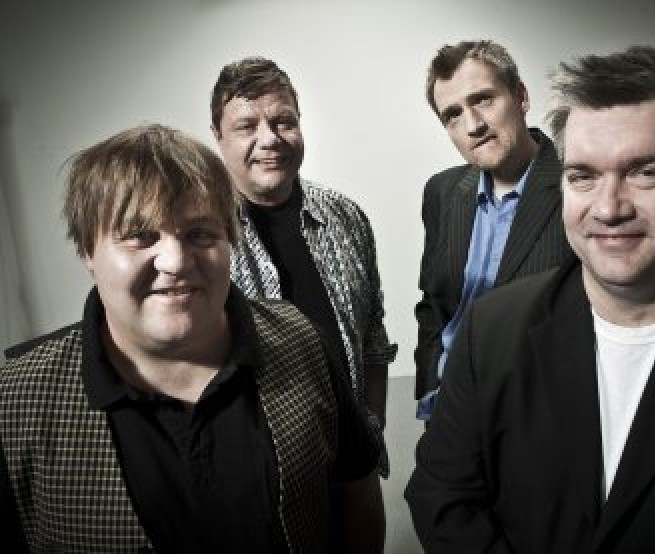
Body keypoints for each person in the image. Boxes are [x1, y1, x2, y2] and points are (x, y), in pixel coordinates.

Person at [405, 45, 655, 552]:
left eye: (646, 171)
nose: (609, 209)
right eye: (583, 176)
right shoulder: (490, 329)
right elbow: (443, 498)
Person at [0, 124, 382, 553]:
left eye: (200, 234)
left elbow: (357, 490)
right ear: (88, 251)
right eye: (140, 236)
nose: (176, 261)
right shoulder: (14, 401)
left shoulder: (299, 339)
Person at [210, 57, 397, 472]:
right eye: (246, 126)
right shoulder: (202, 234)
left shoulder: (346, 216)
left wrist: (372, 427)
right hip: (259, 474)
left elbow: (373, 336)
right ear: (218, 136)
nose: (269, 139)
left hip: (352, 464)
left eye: (283, 122)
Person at [414, 40, 572, 420]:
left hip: (535, 414)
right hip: (448, 411)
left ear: (521, 96)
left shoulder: (577, 185)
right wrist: (430, 385)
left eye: (483, 100)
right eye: (453, 115)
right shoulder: (442, 191)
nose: (473, 126)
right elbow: (432, 304)